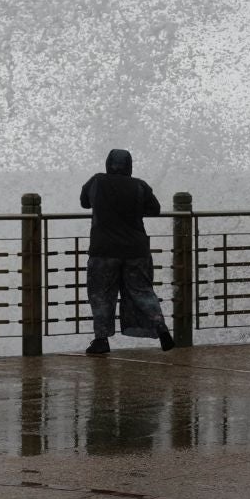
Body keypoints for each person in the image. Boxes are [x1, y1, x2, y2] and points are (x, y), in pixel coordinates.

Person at [80, 149, 175, 354]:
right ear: (129, 166)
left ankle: (101, 340)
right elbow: (154, 209)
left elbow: (84, 202)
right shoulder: (139, 185)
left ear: (108, 164)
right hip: (136, 250)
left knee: (101, 295)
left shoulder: (97, 181)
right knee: (142, 291)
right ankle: (161, 328)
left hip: (103, 251)